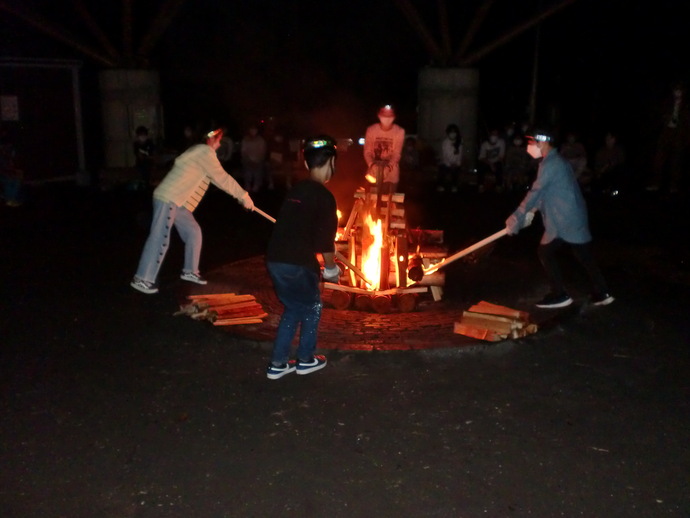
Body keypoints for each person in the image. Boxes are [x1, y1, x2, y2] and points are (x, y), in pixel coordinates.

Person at [130, 126, 254, 294]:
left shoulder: (199, 152)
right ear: (210, 140)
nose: (219, 144)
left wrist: (242, 197)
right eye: (218, 141)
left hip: (178, 202)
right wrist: (243, 196)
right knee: (160, 237)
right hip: (169, 198)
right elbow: (222, 178)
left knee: (193, 231)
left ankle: (190, 271)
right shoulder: (204, 152)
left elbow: (210, 178)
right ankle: (143, 278)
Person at [505, 127, 614, 309]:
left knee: (545, 252)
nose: (529, 147)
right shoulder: (554, 161)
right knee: (583, 255)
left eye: (531, 143)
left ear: (543, 142)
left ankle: (560, 295)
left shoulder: (550, 164)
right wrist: (531, 212)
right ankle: (604, 292)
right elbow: (547, 192)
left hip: (565, 219)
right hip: (572, 216)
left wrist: (515, 218)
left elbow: (535, 192)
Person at [265, 135, 340, 380]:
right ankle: (306, 359)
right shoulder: (325, 197)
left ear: (307, 165)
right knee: (311, 306)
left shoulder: (296, 190)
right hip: (298, 264)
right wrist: (331, 269)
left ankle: (278, 363)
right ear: (331, 162)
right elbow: (325, 243)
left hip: (275, 259)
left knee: (293, 308)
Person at [647, 82, 690, 193]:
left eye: (679, 90)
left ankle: (674, 187)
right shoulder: (667, 102)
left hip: (679, 135)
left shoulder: (686, 104)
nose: (677, 93)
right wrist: (667, 118)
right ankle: (655, 184)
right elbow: (660, 115)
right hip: (666, 133)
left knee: (676, 162)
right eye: (676, 90)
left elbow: (687, 121)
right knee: (659, 159)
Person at [363, 105, 405, 195]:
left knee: (389, 202)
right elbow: (367, 151)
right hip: (373, 172)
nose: (387, 118)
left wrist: (388, 167)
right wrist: (372, 165)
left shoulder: (399, 131)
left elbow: (397, 153)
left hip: (391, 174)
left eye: (389, 116)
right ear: (379, 115)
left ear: (394, 117)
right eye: (384, 115)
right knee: (371, 200)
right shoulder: (371, 130)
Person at [241, 125, 267, 193]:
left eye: (254, 130)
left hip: (258, 160)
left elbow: (262, 151)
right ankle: (247, 185)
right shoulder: (245, 139)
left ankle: (256, 185)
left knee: (257, 173)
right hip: (248, 160)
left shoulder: (260, 140)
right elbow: (243, 151)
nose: (253, 131)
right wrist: (248, 159)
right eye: (251, 129)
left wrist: (257, 160)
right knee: (247, 173)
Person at [437, 123, 463, 192]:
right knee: (442, 169)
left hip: (455, 164)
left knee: (456, 170)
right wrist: (449, 164)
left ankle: (454, 185)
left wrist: (457, 163)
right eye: (451, 132)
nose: (453, 134)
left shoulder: (459, 142)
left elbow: (459, 155)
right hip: (446, 163)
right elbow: (445, 156)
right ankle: (441, 185)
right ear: (448, 133)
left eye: (454, 132)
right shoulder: (445, 143)